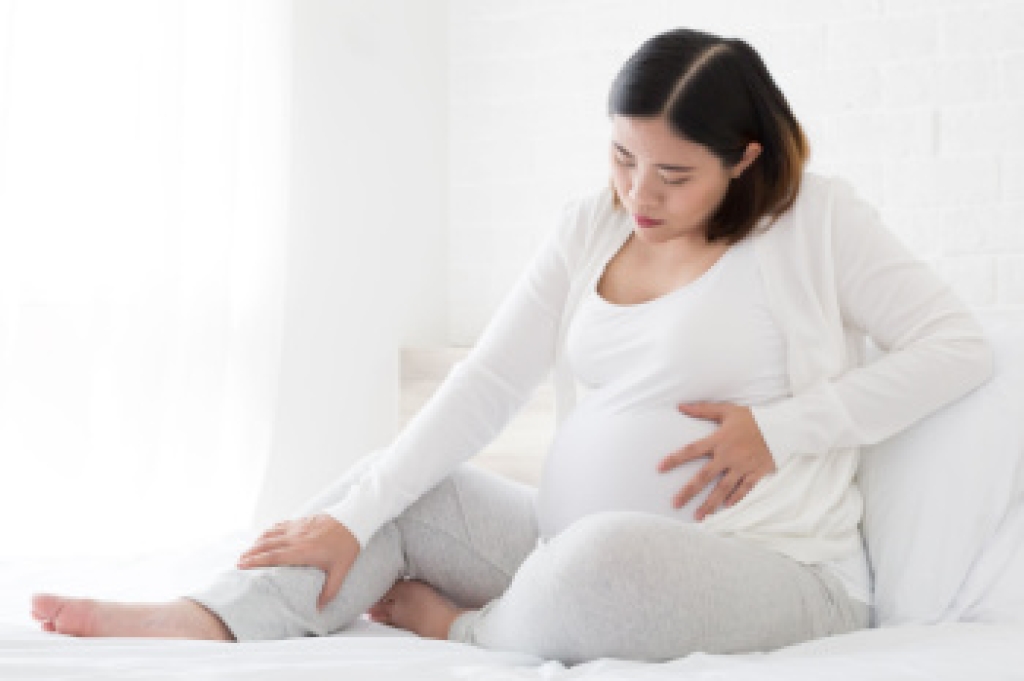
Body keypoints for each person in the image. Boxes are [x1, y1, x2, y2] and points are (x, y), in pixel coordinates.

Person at [30, 27, 993, 665]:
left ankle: (472, 629)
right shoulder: (591, 224)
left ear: (745, 159)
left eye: (672, 175)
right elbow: (488, 380)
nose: (639, 195)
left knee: (601, 561)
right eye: (622, 158)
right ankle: (214, 615)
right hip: (554, 543)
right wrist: (355, 516)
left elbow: (957, 346)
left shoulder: (816, 221)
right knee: (399, 492)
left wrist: (785, 429)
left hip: (773, 570)